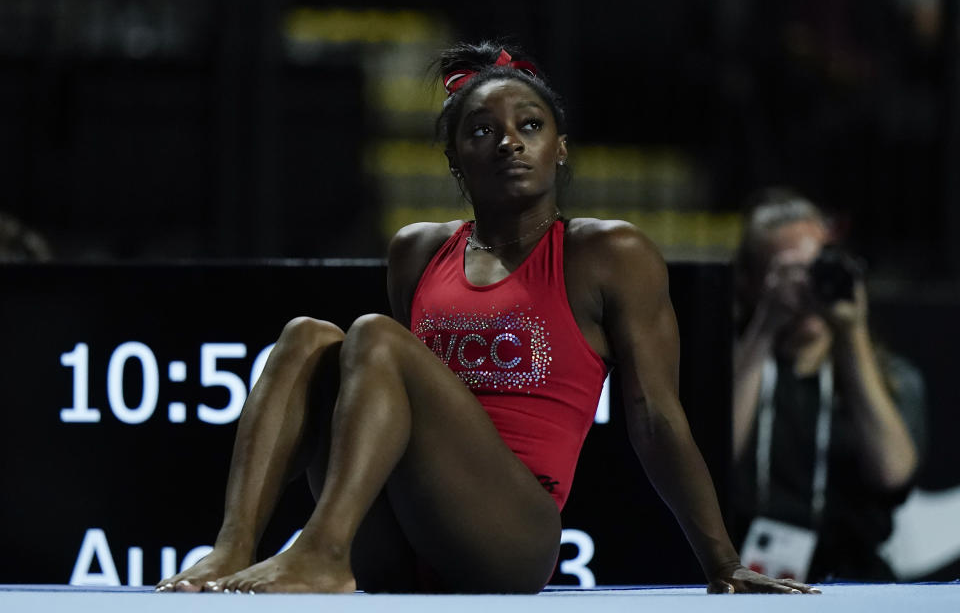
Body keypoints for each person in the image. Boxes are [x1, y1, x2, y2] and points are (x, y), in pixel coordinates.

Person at [156, 41, 816, 595]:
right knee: (306, 337)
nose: (509, 143)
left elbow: (655, 415)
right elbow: (381, 410)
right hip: (406, 528)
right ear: (454, 161)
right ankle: (231, 547)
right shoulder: (416, 251)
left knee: (377, 339)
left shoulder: (608, 252)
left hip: (509, 538)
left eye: (530, 126)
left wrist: (722, 561)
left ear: (560, 147)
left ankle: (324, 553)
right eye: (482, 131)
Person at [731, 188, 926, 582]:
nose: (807, 286)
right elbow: (710, 459)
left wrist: (851, 331)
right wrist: (766, 326)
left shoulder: (894, 376)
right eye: (787, 272)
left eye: (818, 268)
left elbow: (893, 477)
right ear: (751, 281)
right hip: (740, 575)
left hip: (853, 577)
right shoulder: (729, 368)